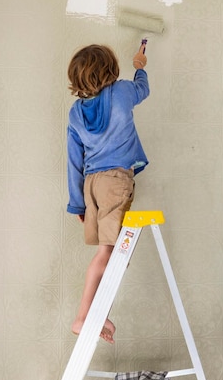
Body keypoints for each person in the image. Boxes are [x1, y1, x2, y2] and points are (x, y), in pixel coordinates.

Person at [66, 42, 149, 343]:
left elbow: (74, 160)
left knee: (115, 252)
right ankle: (83, 316)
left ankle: (97, 313)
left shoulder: (76, 113)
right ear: (111, 71)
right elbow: (142, 90)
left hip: (92, 185)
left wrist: (78, 204)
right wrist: (140, 67)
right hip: (115, 181)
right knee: (110, 251)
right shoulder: (123, 93)